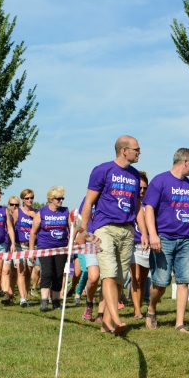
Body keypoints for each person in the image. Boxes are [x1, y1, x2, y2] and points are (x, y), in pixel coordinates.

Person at [77, 136, 141, 335]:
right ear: (124, 150)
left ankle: (106, 325)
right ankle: (116, 319)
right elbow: (88, 202)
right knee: (109, 274)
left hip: (127, 230)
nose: (139, 152)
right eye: (136, 149)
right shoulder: (102, 170)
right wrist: (83, 230)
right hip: (105, 228)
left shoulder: (135, 175)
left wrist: (144, 232)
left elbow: (137, 206)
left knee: (120, 279)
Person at [143, 148, 189, 333]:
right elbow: (149, 209)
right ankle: (151, 309)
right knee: (161, 283)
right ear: (185, 161)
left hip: (185, 240)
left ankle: (180, 323)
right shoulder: (160, 180)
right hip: (163, 239)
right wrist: (153, 235)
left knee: (184, 281)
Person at [30, 186, 71, 312]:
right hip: (45, 247)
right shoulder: (41, 212)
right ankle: (43, 301)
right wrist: (32, 250)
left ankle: (55, 301)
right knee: (47, 273)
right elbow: (33, 232)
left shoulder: (66, 211)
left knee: (58, 275)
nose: (60, 201)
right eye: (58, 198)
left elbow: (72, 228)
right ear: (51, 199)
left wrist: (70, 243)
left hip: (61, 248)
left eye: (62, 198)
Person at [130, 172, 150, 320]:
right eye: (140, 188)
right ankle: (137, 310)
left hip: (147, 246)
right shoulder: (131, 203)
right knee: (135, 277)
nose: (142, 191)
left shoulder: (150, 205)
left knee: (143, 279)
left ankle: (139, 304)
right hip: (133, 244)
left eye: (145, 188)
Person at [13, 189, 37, 307]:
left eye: (31, 197)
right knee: (21, 271)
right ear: (22, 199)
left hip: (32, 246)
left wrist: (35, 216)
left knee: (29, 272)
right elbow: (11, 227)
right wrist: (11, 243)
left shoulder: (37, 213)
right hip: (19, 245)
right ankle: (22, 298)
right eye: (27, 198)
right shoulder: (17, 212)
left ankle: (25, 296)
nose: (29, 200)